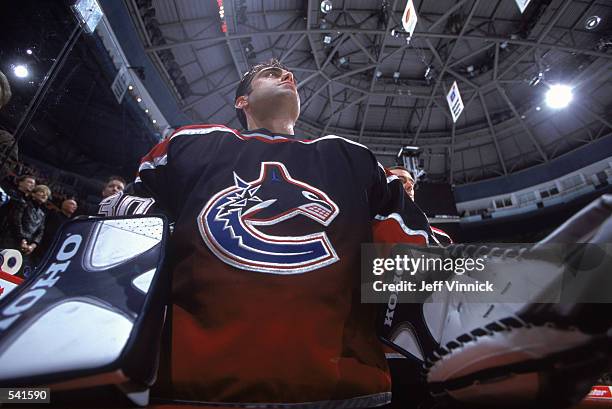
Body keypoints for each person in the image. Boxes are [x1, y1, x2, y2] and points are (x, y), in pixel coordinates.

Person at [99, 59, 434, 408]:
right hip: (190, 390)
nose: (288, 75)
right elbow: (116, 213)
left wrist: (487, 301)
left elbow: (420, 258)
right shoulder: (192, 144)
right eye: (270, 74)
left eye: (288, 73)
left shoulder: (352, 158)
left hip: (344, 394)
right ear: (242, 101)